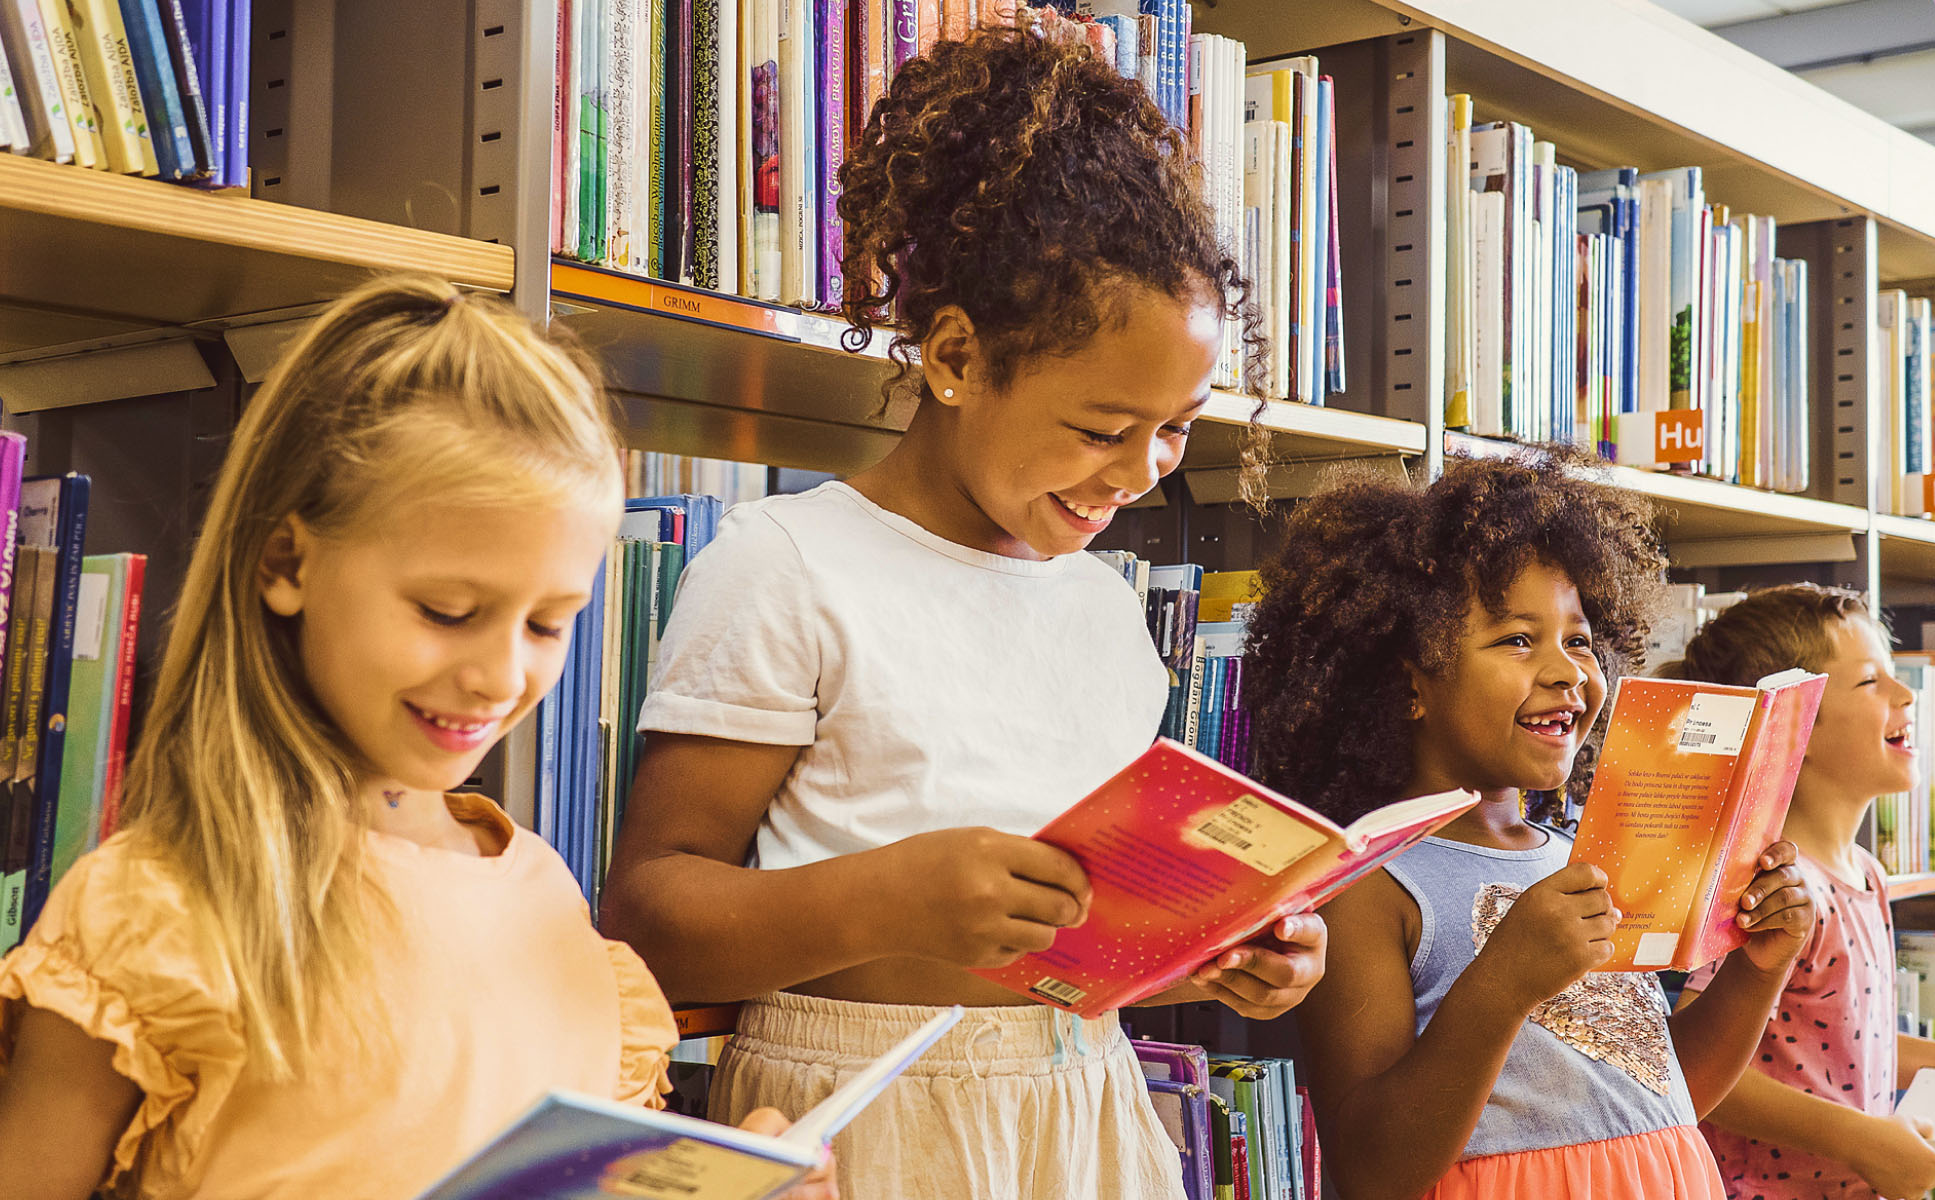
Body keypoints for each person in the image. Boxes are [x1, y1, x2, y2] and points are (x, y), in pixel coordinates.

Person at [597, 27, 1323, 1200]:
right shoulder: (788, 565)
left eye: (1177, 428)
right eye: (1101, 428)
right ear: (952, 357)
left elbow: (1078, 953)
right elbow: (650, 912)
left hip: (1087, 1108)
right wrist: (888, 897)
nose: (1143, 472)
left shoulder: (1103, 609)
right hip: (864, 1120)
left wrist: (1217, 956)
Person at [0, 277, 832, 1200]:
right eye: (448, 610)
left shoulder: (546, 905)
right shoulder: (154, 911)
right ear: (288, 562)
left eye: (549, 625)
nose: (501, 675)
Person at [1243, 452, 1814, 1200]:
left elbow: (1665, 1097)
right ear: (1408, 681)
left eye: (1578, 640)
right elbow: (1372, 1171)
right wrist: (1502, 984)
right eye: (1518, 639)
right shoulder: (1369, 885)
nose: (1567, 671)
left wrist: (1758, 968)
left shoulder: (1588, 853)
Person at [1674, 584, 1935, 1200]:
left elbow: (1841, 1038)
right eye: (1871, 683)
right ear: (1796, 728)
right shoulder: (1772, 889)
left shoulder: (1865, 873)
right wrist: (1861, 1141)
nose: (1907, 694)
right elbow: (1699, 1066)